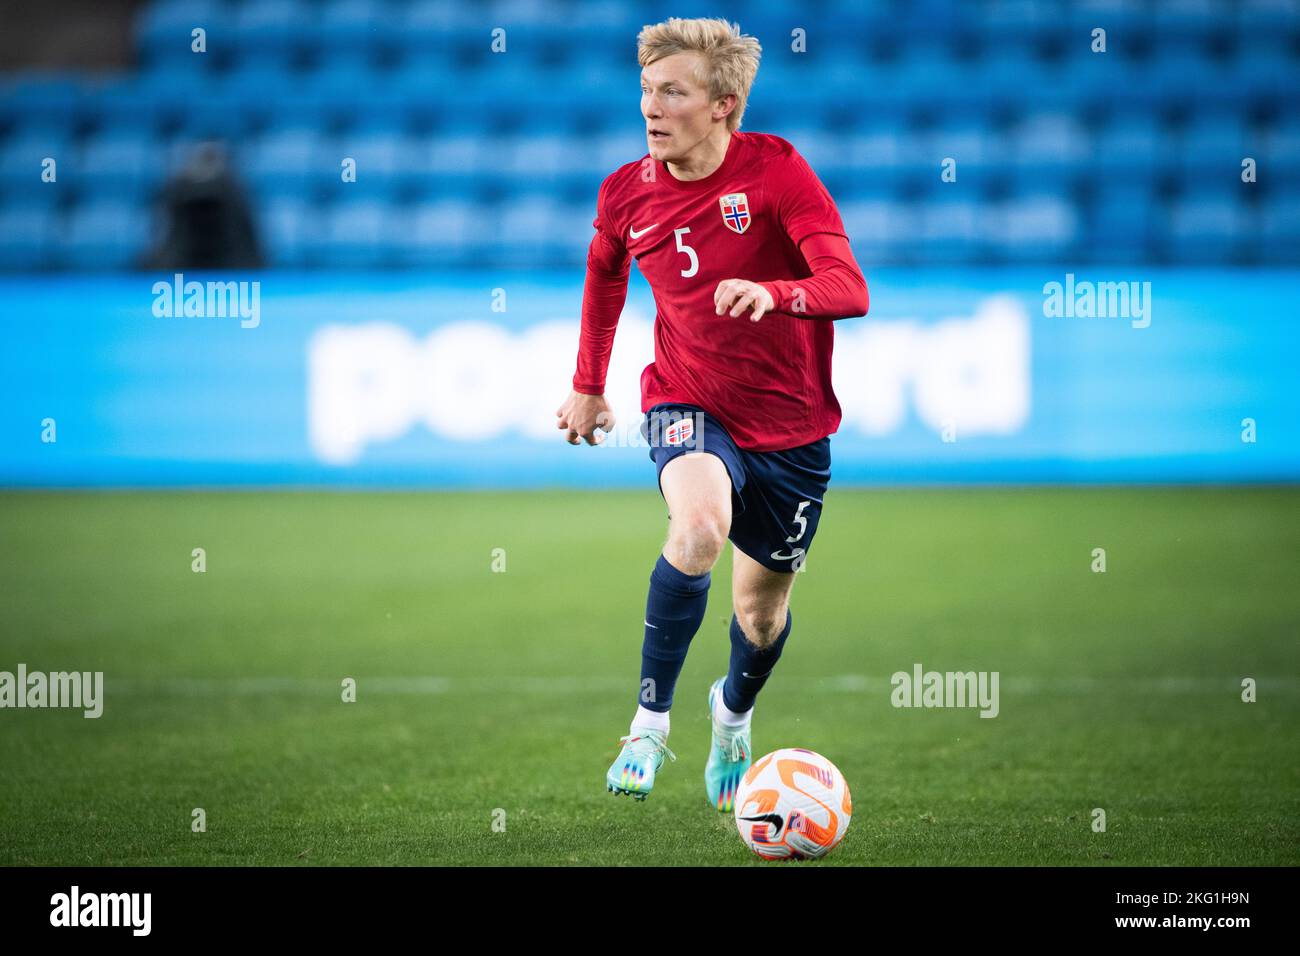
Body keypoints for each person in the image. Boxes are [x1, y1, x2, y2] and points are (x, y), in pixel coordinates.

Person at [554, 17, 869, 811]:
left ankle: (732, 716)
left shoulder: (778, 173)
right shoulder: (626, 191)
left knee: (760, 617)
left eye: (673, 92)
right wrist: (589, 383)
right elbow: (604, 278)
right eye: (646, 91)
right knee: (696, 531)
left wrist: (776, 293)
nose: (651, 109)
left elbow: (849, 287)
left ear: (724, 104)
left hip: (793, 427)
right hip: (687, 398)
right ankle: (649, 724)